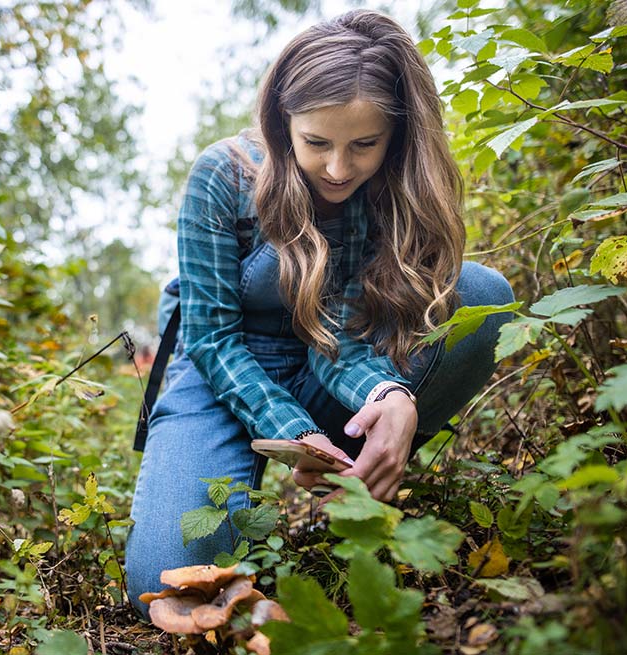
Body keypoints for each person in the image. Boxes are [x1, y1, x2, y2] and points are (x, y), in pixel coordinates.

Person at [125, 9, 514, 616]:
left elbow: (342, 335)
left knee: (482, 294)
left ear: (395, 135)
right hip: (222, 367)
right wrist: (290, 429)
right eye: (316, 143)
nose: (338, 169)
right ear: (283, 123)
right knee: (166, 577)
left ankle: (361, 482)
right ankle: (295, 473)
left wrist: (390, 393)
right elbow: (210, 337)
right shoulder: (222, 175)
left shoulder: (387, 194)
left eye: (364, 144)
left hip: (332, 355)